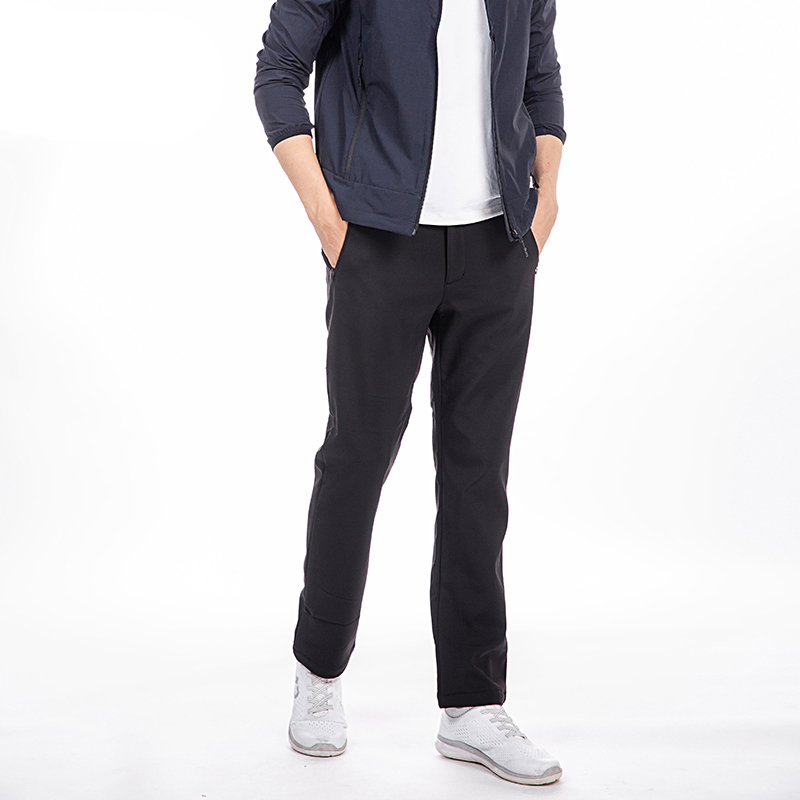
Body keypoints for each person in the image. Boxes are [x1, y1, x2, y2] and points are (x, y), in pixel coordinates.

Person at [254, 0, 566, 785]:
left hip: (498, 244)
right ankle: (319, 673)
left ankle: (472, 703)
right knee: (357, 459)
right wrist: (330, 224)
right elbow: (277, 73)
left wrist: (545, 201)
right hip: (379, 241)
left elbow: (540, 73)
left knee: (478, 475)